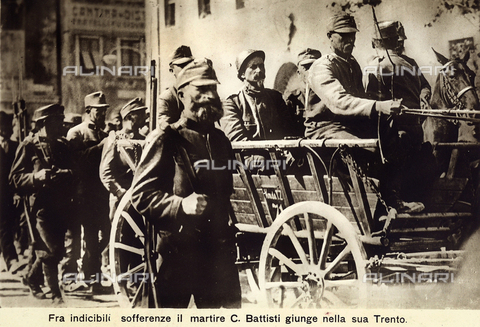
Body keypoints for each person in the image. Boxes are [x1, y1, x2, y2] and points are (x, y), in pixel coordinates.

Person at [130, 59, 241, 308]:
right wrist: (180, 205)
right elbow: (141, 195)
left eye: (212, 90)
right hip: (178, 256)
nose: (208, 97)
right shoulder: (166, 139)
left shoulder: (222, 141)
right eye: (200, 90)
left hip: (217, 257)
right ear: (181, 94)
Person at [308, 13, 423, 213]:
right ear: (330, 37)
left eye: (352, 35)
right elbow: (339, 102)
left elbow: (362, 98)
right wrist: (379, 106)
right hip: (325, 128)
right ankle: (363, 208)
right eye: (343, 36)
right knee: (358, 146)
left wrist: (389, 110)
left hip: (350, 124)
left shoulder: (352, 64)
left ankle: (391, 199)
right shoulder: (321, 67)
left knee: (392, 135)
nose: (350, 40)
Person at [10, 104, 75, 305]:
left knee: (46, 248)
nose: (61, 126)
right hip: (39, 208)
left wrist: (66, 174)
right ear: (44, 123)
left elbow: (74, 172)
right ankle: (56, 295)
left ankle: (31, 277)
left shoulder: (62, 145)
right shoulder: (29, 145)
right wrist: (36, 177)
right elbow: (14, 179)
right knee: (52, 250)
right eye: (57, 122)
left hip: (60, 205)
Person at [67, 91, 110, 289]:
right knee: (91, 235)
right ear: (88, 111)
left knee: (107, 234)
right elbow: (77, 161)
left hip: (101, 192)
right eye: (98, 111)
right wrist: (101, 147)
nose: (102, 115)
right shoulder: (76, 133)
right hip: (84, 193)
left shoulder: (104, 134)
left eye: (104, 111)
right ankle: (91, 277)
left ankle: (91, 271)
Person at [364, 20, 431, 145]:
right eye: (398, 41)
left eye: (402, 42)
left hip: (397, 129)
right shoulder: (383, 63)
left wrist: (423, 96)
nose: (400, 45)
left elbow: (424, 85)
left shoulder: (409, 63)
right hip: (409, 126)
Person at [220, 49, 296, 141]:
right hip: (251, 154)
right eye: (253, 67)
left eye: (261, 66)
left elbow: (289, 132)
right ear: (242, 74)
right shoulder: (232, 102)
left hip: (280, 153)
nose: (259, 70)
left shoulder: (276, 98)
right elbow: (237, 139)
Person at [100, 97, 147, 221]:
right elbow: (105, 172)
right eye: (140, 114)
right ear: (130, 117)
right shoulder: (114, 138)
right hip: (120, 199)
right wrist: (119, 191)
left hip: (141, 198)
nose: (145, 117)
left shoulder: (144, 139)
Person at [0, 111, 26, 274]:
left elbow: (17, 172)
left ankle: (9, 258)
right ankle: (10, 260)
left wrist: (17, 193)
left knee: (9, 226)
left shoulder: (16, 146)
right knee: (4, 227)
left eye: (10, 125)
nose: (9, 129)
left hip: (9, 196)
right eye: (5, 126)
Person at [284, 48, 323, 138]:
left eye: (315, 67)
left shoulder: (328, 96)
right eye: (307, 68)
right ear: (299, 73)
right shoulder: (292, 99)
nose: (311, 72)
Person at [157, 45, 195, 128]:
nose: (187, 69)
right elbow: (164, 127)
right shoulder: (167, 97)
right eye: (182, 66)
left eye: (190, 64)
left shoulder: (199, 91)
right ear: (172, 70)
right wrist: (182, 123)